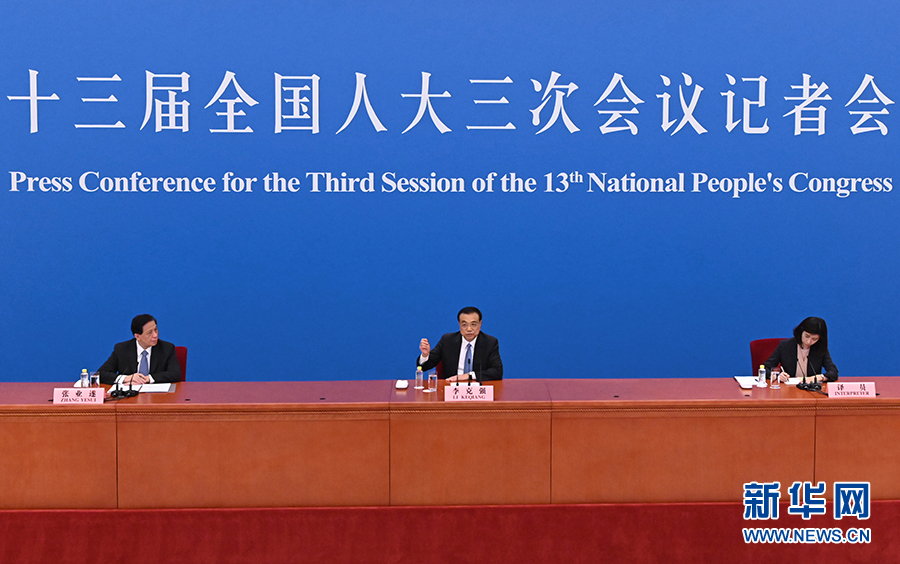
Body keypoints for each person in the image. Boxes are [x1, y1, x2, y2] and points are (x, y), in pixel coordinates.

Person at [417, 306, 503, 382]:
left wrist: (468, 376)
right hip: (452, 388)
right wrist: (425, 355)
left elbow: (497, 372)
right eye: (464, 324)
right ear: (459, 324)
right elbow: (424, 367)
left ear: (480, 324)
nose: (469, 329)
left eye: (473, 324)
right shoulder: (447, 340)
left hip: (478, 389)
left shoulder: (489, 342)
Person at [98, 314, 182, 385]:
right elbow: (101, 374)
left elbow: (175, 374)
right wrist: (127, 378)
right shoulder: (122, 349)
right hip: (129, 396)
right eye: (149, 333)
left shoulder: (167, 348)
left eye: (156, 330)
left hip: (157, 396)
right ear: (137, 336)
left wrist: (148, 378)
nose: (155, 335)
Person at [765, 316, 838, 384]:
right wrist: (777, 375)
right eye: (807, 336)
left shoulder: (819, 348)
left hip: (811, 389)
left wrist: (820, 377)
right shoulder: (785, 346)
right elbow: (765, 368)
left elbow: (833, 372)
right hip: (788, 388)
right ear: (801, 331)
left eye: (814, 339)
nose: (808, 341)